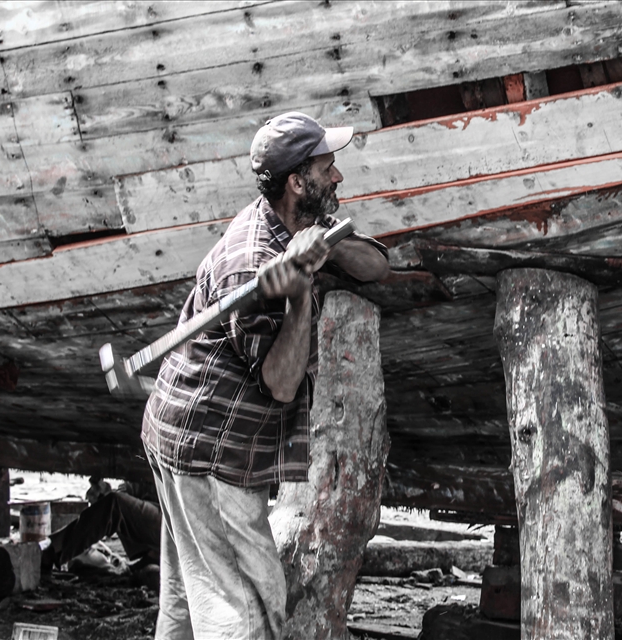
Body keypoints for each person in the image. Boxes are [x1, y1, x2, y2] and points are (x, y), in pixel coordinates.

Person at [140, 112, 390, 640]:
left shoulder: (294, 222)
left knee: (189, 598)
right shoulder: (251, 264)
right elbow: (279, 384)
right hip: (207, 446)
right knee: (248, 609)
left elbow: (377, 266)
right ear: (299, 181)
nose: (339, 176)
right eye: (329, 167)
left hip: (180, 427)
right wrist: (299, 294)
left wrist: (324, 246)